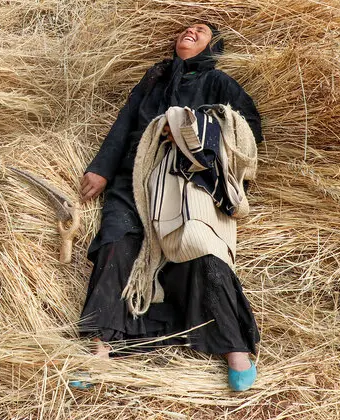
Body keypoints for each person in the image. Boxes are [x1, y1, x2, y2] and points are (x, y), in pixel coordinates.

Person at [78, 23, 263, 390]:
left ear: (214, 46)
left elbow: (248, 131)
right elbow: (125, 123)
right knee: (115, 244)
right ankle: (99, 349)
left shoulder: (220, 82)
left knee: (204, 248)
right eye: (186, 28)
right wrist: (100, 169)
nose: (190, 32)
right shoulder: (156, 77)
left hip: (190, 182)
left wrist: (186, 126)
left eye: (201, 30)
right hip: (134, 178)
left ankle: (235, 350)